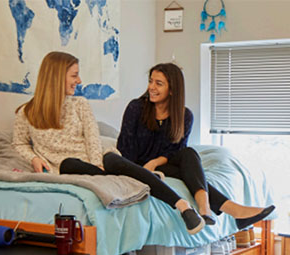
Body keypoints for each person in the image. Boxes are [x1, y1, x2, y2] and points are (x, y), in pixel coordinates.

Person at [13, 51, 206, 234]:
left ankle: (182, 206)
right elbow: (20, 143)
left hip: (97, 160)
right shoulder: (26, 113)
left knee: (115, 160)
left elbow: (92, 139)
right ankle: (140, 179)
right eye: (74, 76)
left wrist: (97, 161)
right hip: (65, 164)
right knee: (70, 163)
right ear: (56, 77)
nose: (79, 81)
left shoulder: (80, 104)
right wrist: (33, 159)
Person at [116, 62, 275, 230]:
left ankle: (205, 208)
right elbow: (125, 148)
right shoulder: (136, 108)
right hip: (135, 166)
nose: (151, 87)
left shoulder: (184, 116)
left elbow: (176, 150)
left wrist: (154, 163)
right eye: (151, 81)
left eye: (158, 83)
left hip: (160, 165)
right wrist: (141, 169)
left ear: (172, 89)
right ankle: (232, 211)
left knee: (189, 154)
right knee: (186, 173)